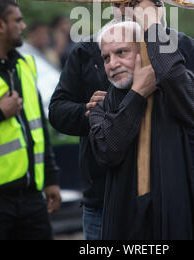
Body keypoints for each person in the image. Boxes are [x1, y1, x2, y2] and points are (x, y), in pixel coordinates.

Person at [88, 0, 194, 240]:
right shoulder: (99, 57)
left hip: (192, 188)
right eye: (120, 3)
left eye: (136, 3)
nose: (127, 10)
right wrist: (133, 97)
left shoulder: (188, 52)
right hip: (124, 198)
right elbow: (103, 142)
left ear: (158, 7)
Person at [0, 0, 61, 241]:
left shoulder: (25, 64)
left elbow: (39, 127)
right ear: (0, 25)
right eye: (17, 20)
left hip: (32, 198)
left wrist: (51, 178)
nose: (23, 26)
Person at [49, 34, 110, 240]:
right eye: (107, 57)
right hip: (101, 200)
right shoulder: (87, 50)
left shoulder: (175, 48)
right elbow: (57, 110)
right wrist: (89, 111)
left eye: (123, 53)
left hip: (159, 198)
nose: (114, 63)